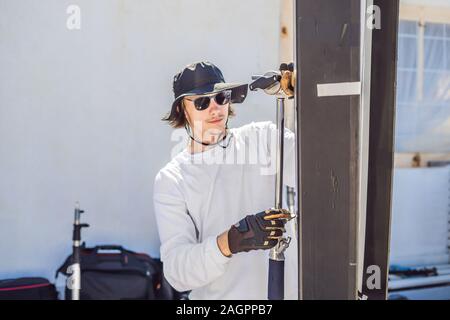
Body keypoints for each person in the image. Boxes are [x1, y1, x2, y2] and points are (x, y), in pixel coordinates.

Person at [153, 61, 297, 299]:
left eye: (221, 97)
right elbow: (177, 273)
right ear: (181, 111)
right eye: (201, 102)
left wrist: (309, 88)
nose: (215, 108)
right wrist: (229, 242)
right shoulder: (172, 179)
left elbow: (319, 167)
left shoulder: (265, 139)